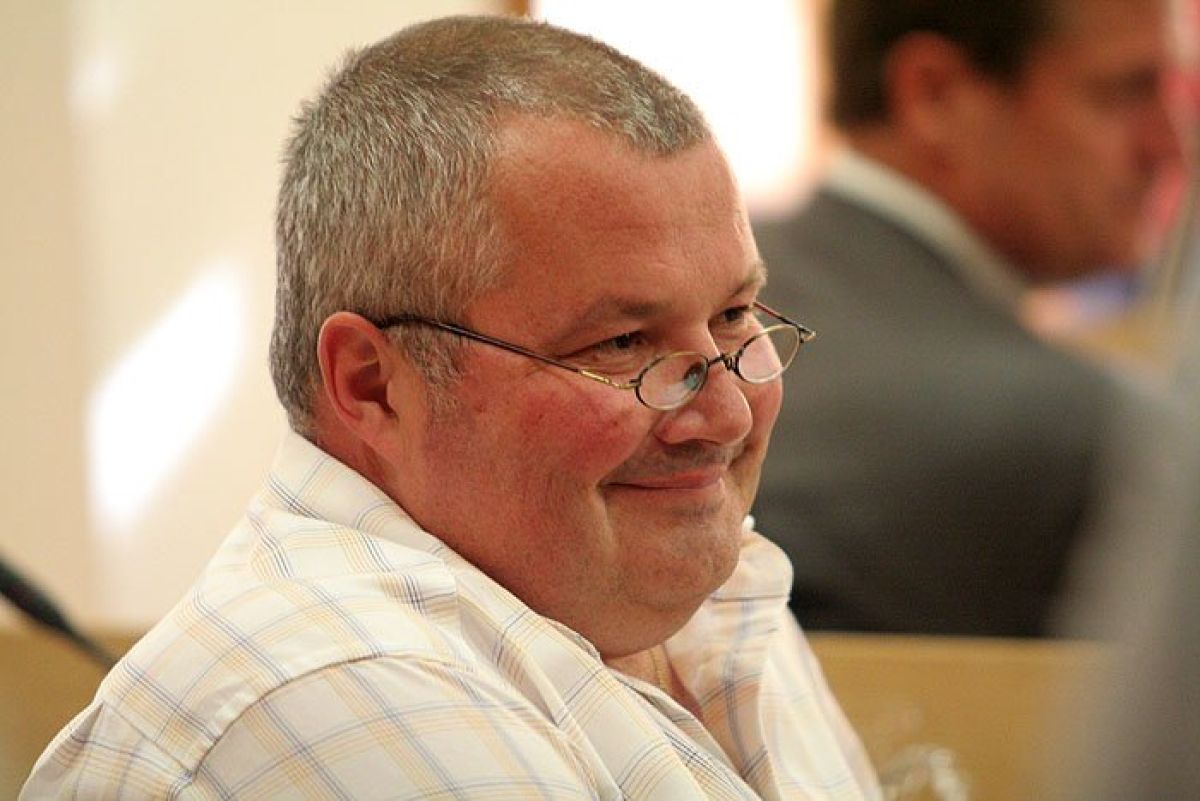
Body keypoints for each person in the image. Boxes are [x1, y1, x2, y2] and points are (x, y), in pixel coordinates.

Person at [22, 16, 879, 800]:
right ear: (372, 384)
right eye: (623, 343)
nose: (726, 412)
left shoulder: (703, 597)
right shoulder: (341, 686)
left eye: (733, 314)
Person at [752, 0, 1183, 635]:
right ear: (935, 96)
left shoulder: (704, 299)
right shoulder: (1091, 437)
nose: (1169, 145)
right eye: (1124, 91)